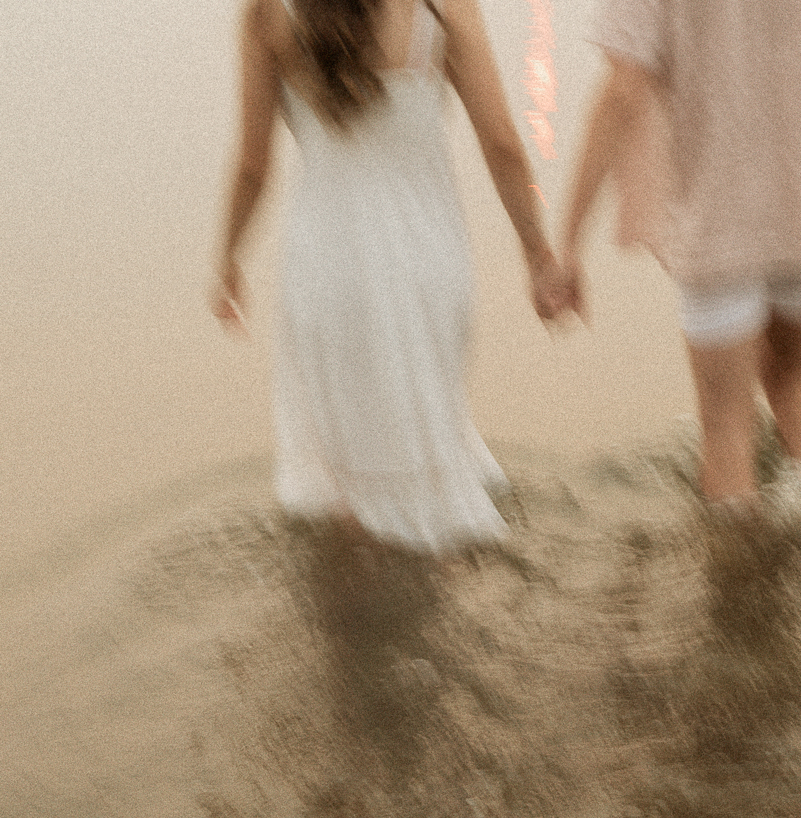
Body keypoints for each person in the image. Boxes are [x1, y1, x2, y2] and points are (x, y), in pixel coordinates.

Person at [212, 0, 572, 553]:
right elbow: (502, 144)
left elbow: (253, 166)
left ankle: (358, 610)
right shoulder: (443, 9)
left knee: (346, 479)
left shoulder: (268, 14)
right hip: (428, 263)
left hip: (327, 270)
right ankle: (437, 589)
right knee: (427, 443)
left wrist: (228, 260)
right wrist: (539, 256)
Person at [557, 0, 801, 507]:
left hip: (717, 225)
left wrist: (569, 239)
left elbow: (622, 92)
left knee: (727, 427)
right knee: (793, 382)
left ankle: (737, 575)